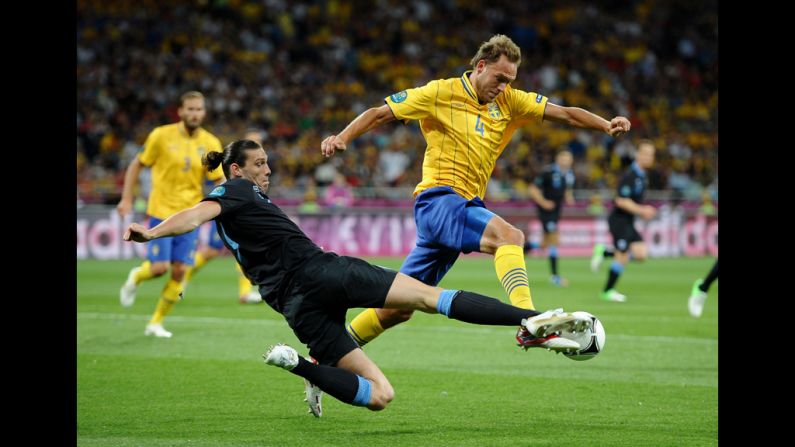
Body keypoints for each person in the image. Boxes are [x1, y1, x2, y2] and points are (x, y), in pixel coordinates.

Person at [122, 140, 594, 416]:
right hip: (325, 272)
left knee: (380, 397)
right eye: (260, 162)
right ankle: (534, 318)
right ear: (237, 168)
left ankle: (300, 366)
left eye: (267, 161)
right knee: (429, 298)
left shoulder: (242, 202)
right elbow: (194, 214)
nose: (269, 168)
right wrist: (152, 231)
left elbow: (205, 216)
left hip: (296, 309)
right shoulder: (235, 190)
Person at [320, 34, 630, 349]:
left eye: (510, 81)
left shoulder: (509, 101)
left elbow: (564, 113)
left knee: (397, 309)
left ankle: (330, 351)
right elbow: (380, 112)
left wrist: (605, 125)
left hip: (462, 206)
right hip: (438, 200)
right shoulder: (440, 92)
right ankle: (530, 320)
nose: (503, 86)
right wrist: (343, 136)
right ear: (480, 66)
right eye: (499, 78)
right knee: (510, 237)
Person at [117, 91, 224, 338]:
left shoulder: (211, 142)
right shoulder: (161, 135)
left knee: (179, 272)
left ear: (204, 112)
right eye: (190, 109)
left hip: (189, 216)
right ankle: (137, 275)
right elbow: (137, 164)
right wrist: (126, 198)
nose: (194, 113)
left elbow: (219, 178)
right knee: (158, 269)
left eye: (199, 109)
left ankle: (155, 322)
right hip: (161, 211)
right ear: (180, 111)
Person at [182, 128, 266, 304]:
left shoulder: (257, 162)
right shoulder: (238, 162)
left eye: (259, 141)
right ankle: (180, 280)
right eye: (254, 141)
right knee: (211, 252)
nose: (258, 145)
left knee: (242, 247)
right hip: (229, 211)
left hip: (240, 211)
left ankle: (245, 292)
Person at [590, 140, 657, 302]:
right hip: (619, 220)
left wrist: (640, 211)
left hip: (628, 221)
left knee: (641, 254)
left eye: (651, 154)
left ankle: (605, 252)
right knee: (622, 256)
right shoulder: (631, 175)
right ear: (638, 155)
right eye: (646, 153)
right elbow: (621, 201)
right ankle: (607, 291)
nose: (649, 157)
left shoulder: (642, 175)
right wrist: (643, 210)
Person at [523, 150, 576, 287]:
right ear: (558, 159)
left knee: (545, 243)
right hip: (546, 212)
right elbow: (533, 189)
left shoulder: (569, 174)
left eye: (569, 158)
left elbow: (567, 189)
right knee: (554, 240)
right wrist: (543, 202)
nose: (566, 161)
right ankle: (555, 277)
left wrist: (569, 197)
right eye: (564, 158)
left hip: (556, 212)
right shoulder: (548, 172)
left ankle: (523, 248)